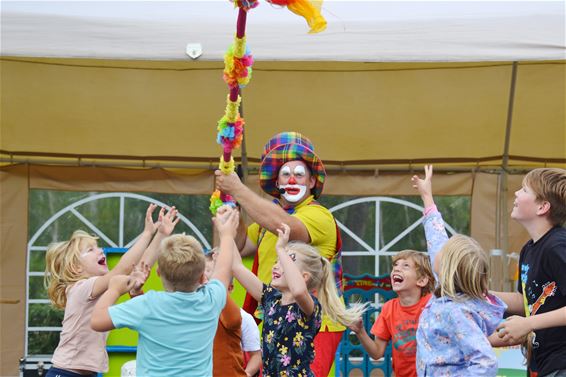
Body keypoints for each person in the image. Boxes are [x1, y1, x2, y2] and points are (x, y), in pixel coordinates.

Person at [216, 131, 345, 376]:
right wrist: (232, 202)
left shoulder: (319, 216)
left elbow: (287, 227)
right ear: (277, 183)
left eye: (299, 174)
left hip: (312, 323)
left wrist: (239, 189)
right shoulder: (266, 222)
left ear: (311, 182)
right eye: (285, 173)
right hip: (274, 313)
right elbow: (240, 247)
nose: (292, 179)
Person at [90, 206, 238, 377]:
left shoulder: (148, 305)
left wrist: (114, 290)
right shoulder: (212, 299)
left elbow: (97, 320)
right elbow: (224, 268)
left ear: (158, 272)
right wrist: (226, 235)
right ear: (202, 277)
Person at [44, 204, 178, 377]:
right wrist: (146, 234)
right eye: (90, 250)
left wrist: (161, 234)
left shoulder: (105, 289)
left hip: (87, 374)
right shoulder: (79, 288)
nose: (100, 250)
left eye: (97, 247)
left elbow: (139, 267)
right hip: (65, 372)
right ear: (76, 268)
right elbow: (121, 270)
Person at [230, 222, 365, 377]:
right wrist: (227, 232)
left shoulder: (310, 307)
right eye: (277, 261)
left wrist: (281, 249)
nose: (276, 266)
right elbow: (236, 267)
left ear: (304, 277)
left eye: (285, 263)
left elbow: (299, 290)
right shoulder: (271, 299)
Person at [413, 165, 506, 376]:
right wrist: (427, 197)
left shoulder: (457, 312)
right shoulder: (444, 289)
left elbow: (486, 362)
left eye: (443, 253)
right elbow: (436, 238)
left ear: (447, 268)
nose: (437, 250)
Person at [493, 168, 566, 377]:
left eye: (524, 190)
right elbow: (525, 301)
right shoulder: (528, 249)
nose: (516, 193)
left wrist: (528, 324)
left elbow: (529, 317)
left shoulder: (558, 246)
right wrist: (480, 294)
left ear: (543, 207)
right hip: (545, 363)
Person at [348, 250, 435, 377]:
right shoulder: (389, 309)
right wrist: (360, 332)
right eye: (395, 265)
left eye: (405, 266)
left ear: (421, 280)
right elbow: (377, 352)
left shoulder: (432, 304)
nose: (397, 269)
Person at [205, 250, 262, 377]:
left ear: (230, 288)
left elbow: (256, 356)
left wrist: (246, 374)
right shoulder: (191, 313)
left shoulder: (244, 318)